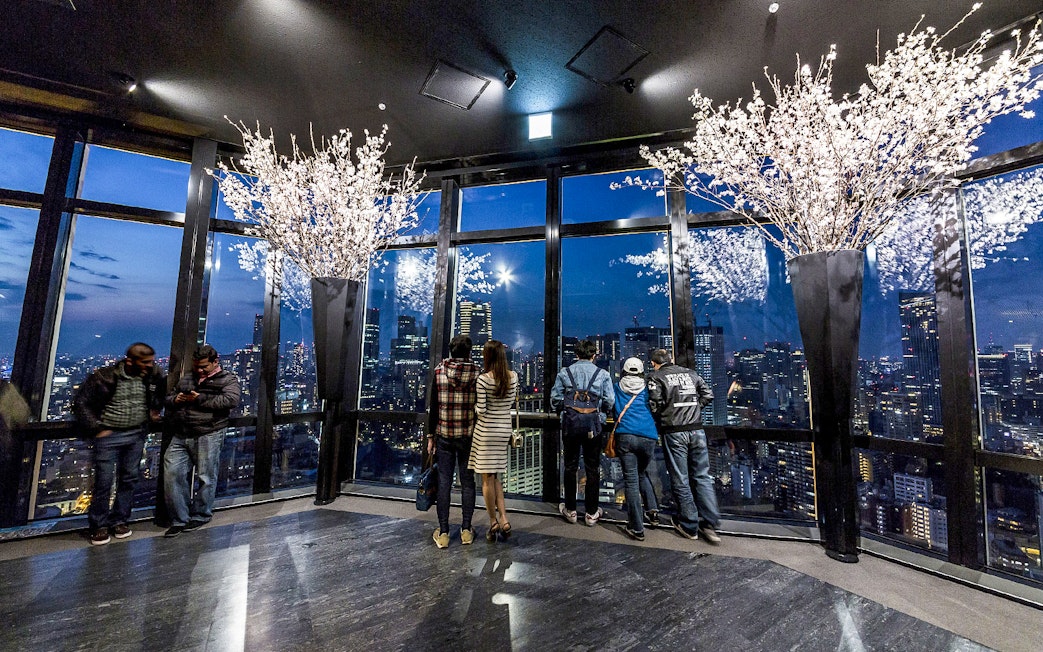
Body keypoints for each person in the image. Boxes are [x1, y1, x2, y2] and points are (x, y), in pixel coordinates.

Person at [73, 342, 165, 546]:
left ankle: (120, 520)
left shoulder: (153, 374)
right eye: (145, 362)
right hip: (109, 436)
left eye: (151, 362)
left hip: (136, 434)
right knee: (104, 482)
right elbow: (81, 403)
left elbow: (160, 390)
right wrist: (97, 428)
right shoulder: (104, 377)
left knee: (129, 479)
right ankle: (99, 525)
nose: (150, 365)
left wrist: (154, 409)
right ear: (130, 361)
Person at [163, 344, 241, 538]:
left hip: (209, 432)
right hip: (182, 432)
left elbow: (230, 400)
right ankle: (180, 518)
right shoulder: (188, 378)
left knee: (206, 476)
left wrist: (199, 398)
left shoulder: (227, 378)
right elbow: (169, 397)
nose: (199, 370)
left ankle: (201, 514)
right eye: (196, 366)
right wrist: (176, 399)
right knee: (172, 473)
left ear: (215, 362)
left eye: (204, 366)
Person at [647, 348, 722, 544]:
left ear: (654, 363)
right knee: (702, 476)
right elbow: (708, 395)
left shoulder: (656, 377)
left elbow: (654, 404)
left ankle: (689, 525)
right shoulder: (691, 374)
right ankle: (710, 523)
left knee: (680, 478)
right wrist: (694, 409)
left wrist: (668, 415)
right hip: (697, 430)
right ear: (670, 359)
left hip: (674, 431)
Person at [550, 340, 614, 526]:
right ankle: (591, 513)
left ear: (576, 355)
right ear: (594, 355)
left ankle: (570, 510)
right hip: (593, 426)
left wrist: (565, 410)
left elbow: (555, 399)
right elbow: (609, 400)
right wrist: (601, 412)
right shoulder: (602, 374)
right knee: (592, 467)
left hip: (570, 425)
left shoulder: (565, 373)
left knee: (570, 466)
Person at [426, 334, 480, 549]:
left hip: (444, 435)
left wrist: (430, 436)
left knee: (444, 483)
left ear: (451, 351)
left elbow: (433, 406)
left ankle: (444, 532)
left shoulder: (439, 371)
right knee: (468, 483)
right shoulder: (477, 373)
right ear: (469, 352)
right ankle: (466, 531)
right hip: (468, 436)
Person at [467, 340, 518, 541]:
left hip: (486, 431)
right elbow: (509, 403)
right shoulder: (513, 377)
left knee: (487, 479)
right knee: (495, 477)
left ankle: (493, 521)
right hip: (503, 430)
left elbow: (481, 409)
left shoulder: (483, 379)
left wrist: (474, 408)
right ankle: (504, 518)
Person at [613, 357, 660, 541]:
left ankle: (637, 528)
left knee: (631, 481)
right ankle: (653, 511)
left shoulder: (617, 387)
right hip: (649, 436)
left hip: (625, 436)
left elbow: (609, 404)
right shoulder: (647, 388)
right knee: (641, 473)